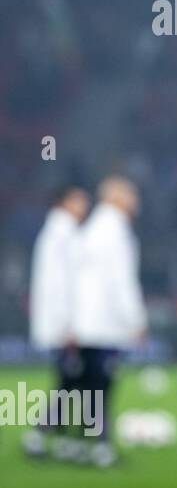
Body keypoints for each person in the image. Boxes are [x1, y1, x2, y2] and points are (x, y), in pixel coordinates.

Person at [69, 176, 147, 467]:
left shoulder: (92, 228)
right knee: (101, 385)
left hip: (87, 323)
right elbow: (121, 281)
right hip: (105, 326)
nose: (136, 201)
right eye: (131, 195)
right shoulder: (115, 230)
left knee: (86, 385)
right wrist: (135, 319)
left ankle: (78, 443)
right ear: (115, 198)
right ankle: (100, 446)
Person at [23, 185, 90, 460]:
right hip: (67, 326)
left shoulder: (56, 232)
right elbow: (61, 286)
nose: (85, 204)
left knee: (70, 382)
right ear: (65, 202)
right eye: (79, 199)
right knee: (72, 381)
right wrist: (69, 325)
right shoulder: (64, 234)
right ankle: (46, 436)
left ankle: (55, 437)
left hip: (63, 323)